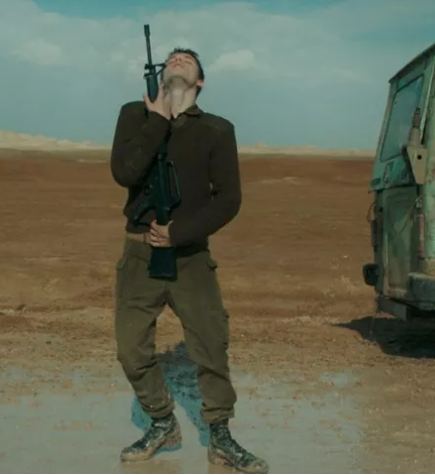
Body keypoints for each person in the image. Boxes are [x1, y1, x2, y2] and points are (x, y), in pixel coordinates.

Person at [108, 46, 269, 474]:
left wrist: (179, 233)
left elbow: (228, 200)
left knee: (210, 346)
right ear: (160, 75)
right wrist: (158, 120)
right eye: (172, 58)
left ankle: (221, 438)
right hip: (139, 254)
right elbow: (124, 172)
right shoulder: (134, 116)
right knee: (130, 349)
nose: (178, 58)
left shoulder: (217, 130)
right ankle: (162, 423)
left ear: (200, 81)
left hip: (191, 257)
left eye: (189, 58)